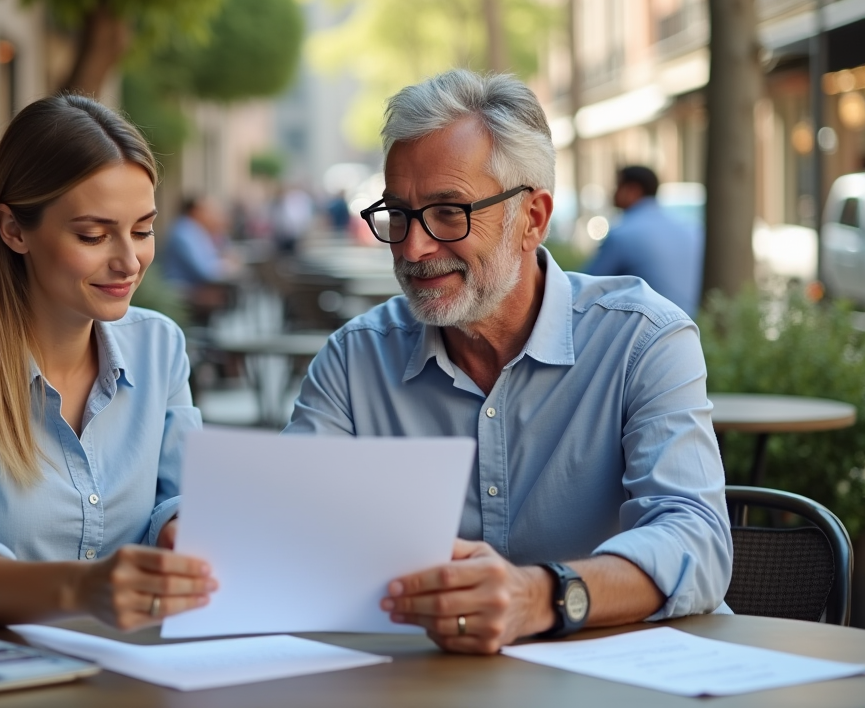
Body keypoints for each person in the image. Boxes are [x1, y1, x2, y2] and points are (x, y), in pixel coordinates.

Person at [284, 71, 731, 654]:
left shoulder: (642, 340)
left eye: (448, 212)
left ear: (533, 218)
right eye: (398, 213)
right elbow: (285, 530)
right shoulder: (354, 360)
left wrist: (539, 596)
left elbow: (695, 541)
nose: (413, 247)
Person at [0, 94, 217, 631]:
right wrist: (84, 589)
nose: (128, 260)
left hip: (108, 671)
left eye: (142, 230)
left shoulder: (159, 346)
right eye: (93, 235)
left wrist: (183, 529)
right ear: (14, 230)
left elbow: (183, 497)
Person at [585, 165, 703, 317]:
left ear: (633, 190)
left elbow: (586, 288)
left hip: (649, 331)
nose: (612, 192)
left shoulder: (622, 234)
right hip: (692, 326)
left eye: (617, 186)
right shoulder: (691, 230)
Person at [160, 195, 239, 323]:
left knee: (227, 294)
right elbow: (205, 271)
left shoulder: (196, 230)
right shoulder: (184, 231)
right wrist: (228, 266)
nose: (213, 215)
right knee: (222, 295)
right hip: (182, 290)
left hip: (193, 286)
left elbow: (213, 258)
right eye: (208, 211)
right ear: (195, 211)